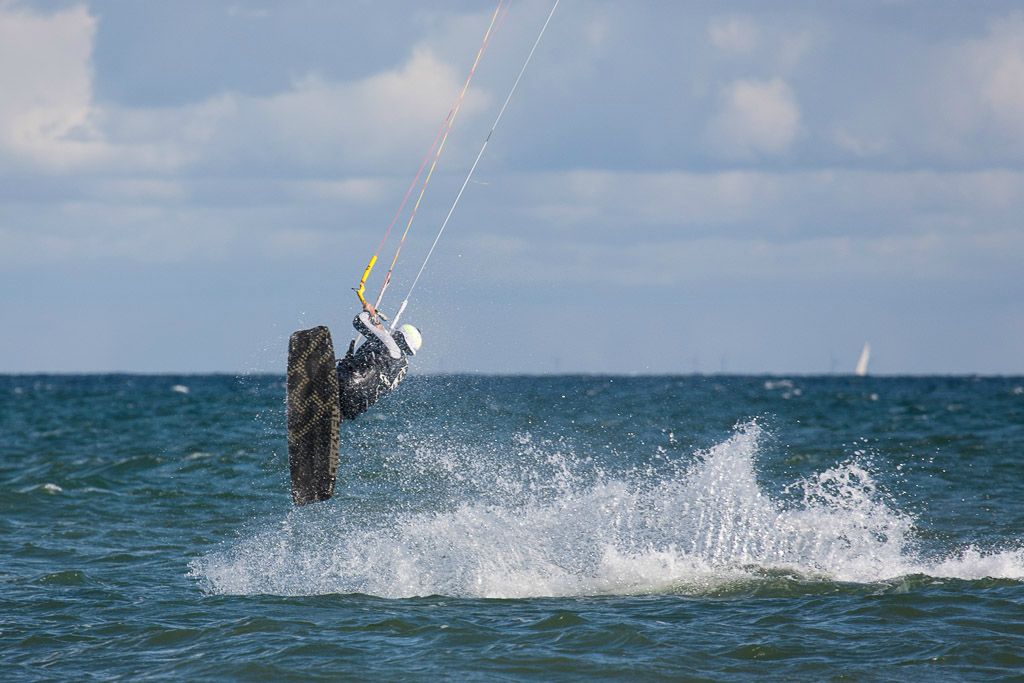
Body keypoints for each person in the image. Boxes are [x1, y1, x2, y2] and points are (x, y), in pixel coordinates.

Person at [336, 300, 422, 420]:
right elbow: (382, 335)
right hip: (356, 405)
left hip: (346, 382)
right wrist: (375, 318)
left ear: (400, 335)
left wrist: (367, 312)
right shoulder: (401, 367)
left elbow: (359, 321)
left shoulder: (390, 345)